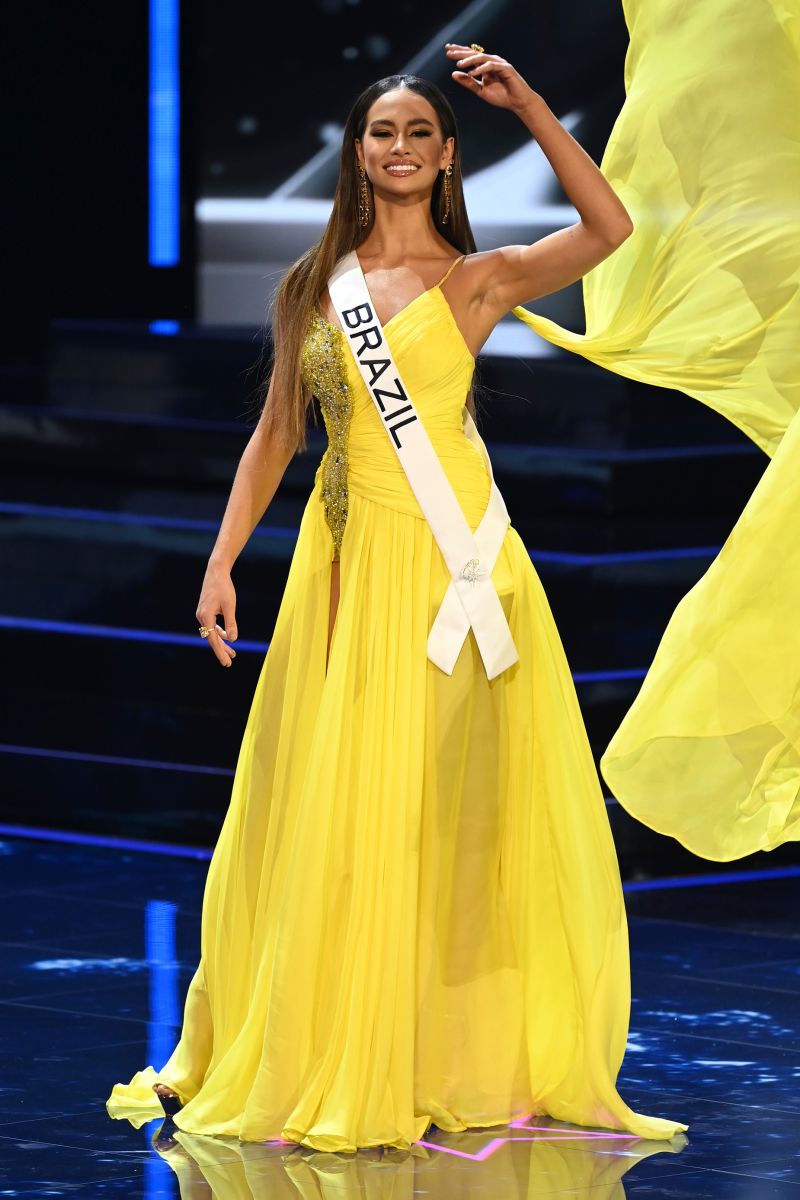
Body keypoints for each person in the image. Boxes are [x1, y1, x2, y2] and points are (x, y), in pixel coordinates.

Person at [106, 44, 687, 1151]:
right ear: (357, 156)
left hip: (457, 571)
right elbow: (277, 433)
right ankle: (341, 1039)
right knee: (342, 810)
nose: (402, 148)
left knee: (449, 815)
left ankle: (449, 1049)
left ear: (448, 153)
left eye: (421, 132)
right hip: (346, 571)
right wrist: (221, 561)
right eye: (384, 133)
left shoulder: (478, 278)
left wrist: (527, 104)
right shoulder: (311, 290)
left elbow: (610, 231)